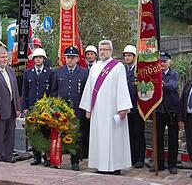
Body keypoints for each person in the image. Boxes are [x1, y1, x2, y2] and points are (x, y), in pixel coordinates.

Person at [80, 40, 132, 175]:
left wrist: (123, 107)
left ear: (111, 51)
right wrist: (88, 108)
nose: (102, 51)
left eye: (105, 49)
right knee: (98, 137)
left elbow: (122, 87)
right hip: (97, 110)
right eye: (101, 49)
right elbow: (89, 88)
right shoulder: (95, 67)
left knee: (115, 138)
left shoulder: (118, 66)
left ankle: (115, 166)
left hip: (113, 109)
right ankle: (100, 165)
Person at [51, 46, 88, 171]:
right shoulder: (58, 71)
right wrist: (55, 107)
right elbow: (54, 91)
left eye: (73, 57)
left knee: (76, 136)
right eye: (68, 57)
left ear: (77, 59)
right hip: (61, 110)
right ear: (65, 58)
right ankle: (57, 159)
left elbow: (86, 92)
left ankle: (75, 161)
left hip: (78, 110)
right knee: (60, 135)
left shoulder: (84, 72)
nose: (70, 60)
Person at [22, 48, 54, 166]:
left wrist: (50, 107)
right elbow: (24, 91)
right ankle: (36, 157)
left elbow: (52, 91)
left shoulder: (50, 73)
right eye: (36, 57)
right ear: (34, 59)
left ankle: (46, 158)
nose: (38, 59)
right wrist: (24, 107)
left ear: (44, 59)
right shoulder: (27, 72)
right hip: (31, 107)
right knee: (33, 132)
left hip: (44, 108)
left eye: (40, 57)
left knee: (45, 133)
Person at [150, 52, 179, 174]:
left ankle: (172, 164)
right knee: (158, 139)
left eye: (165, 61)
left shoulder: (174, 74)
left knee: (173, 139)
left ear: (169, 62)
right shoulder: (155, 74)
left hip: (171, 110)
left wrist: (160, 83)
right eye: (161, 61)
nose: (162, 63)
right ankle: (159, 163)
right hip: (158, 110)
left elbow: (172, 87)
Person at [123, 44, 145, 169]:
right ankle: (130, 157)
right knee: (129, 134)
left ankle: (139, 158)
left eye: (129, 55)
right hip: (126, 108)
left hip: (137, 108)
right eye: (125, 55)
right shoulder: (123, 70)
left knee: (138, 134)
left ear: (134, 57)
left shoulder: (139, 71)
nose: (127, 58)